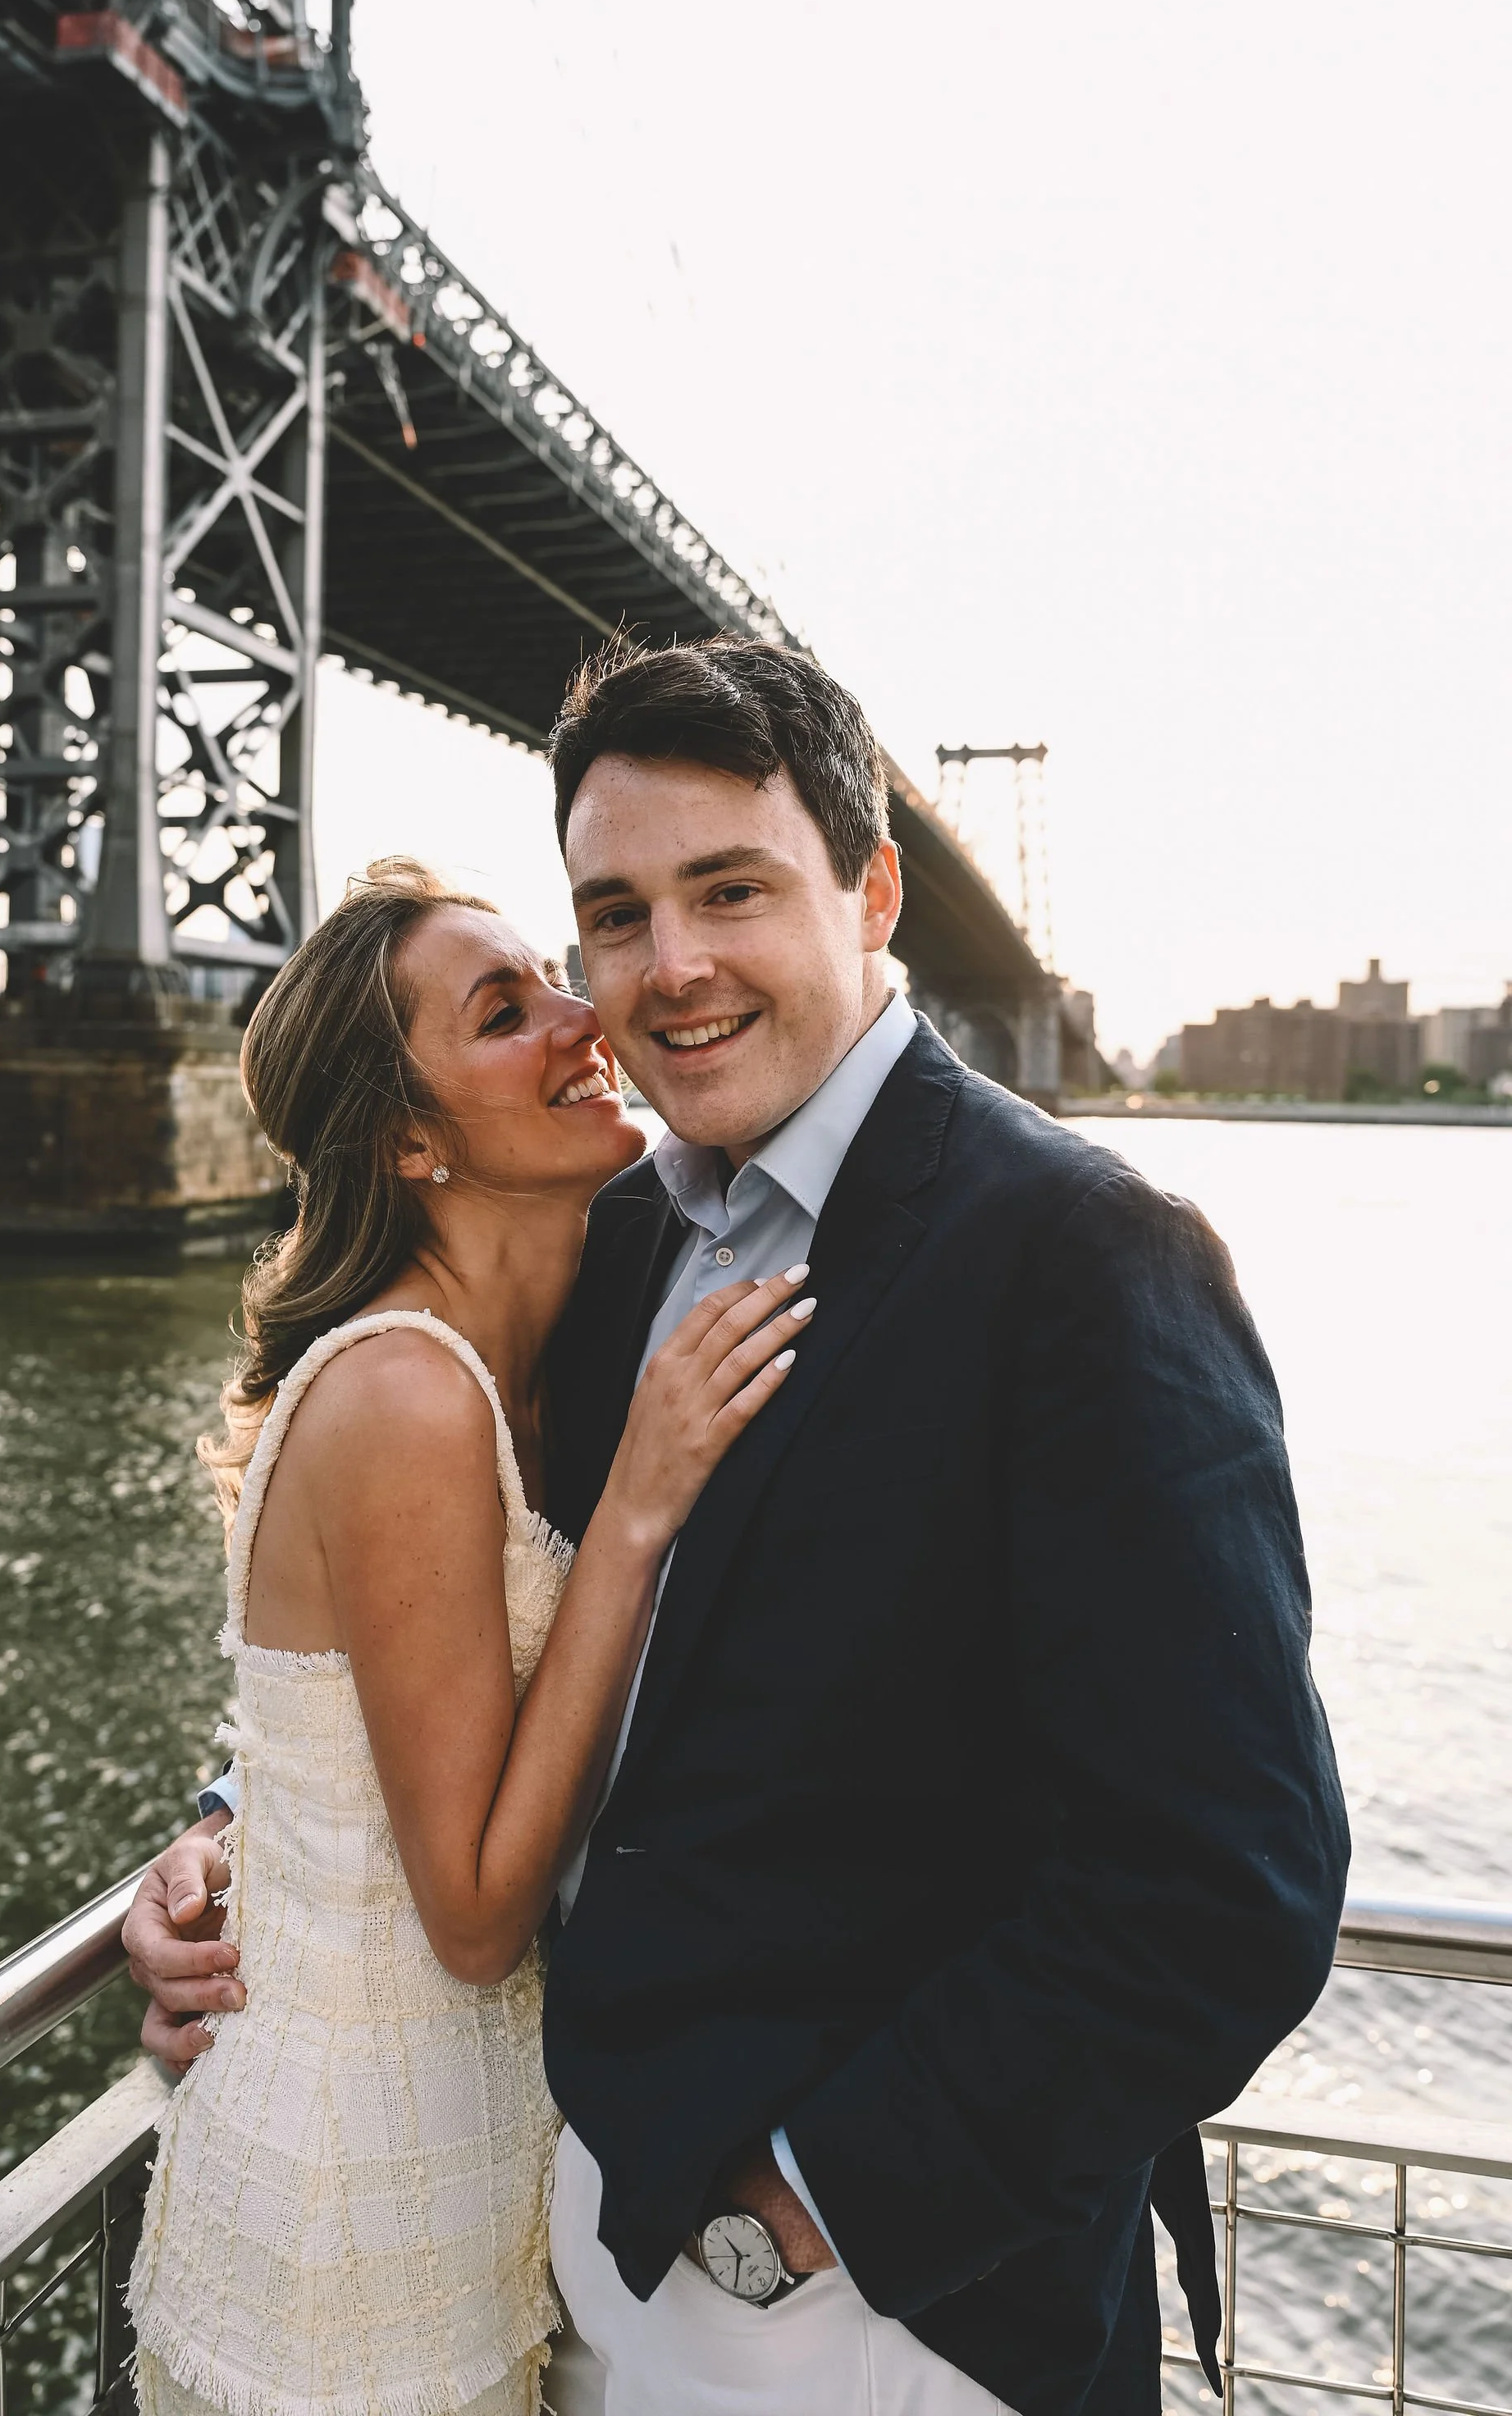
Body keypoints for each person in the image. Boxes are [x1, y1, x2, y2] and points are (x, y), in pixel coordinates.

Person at [129, 640, 1350, 2416]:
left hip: (882, 2310)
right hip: (567, 2239)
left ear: (870, 894)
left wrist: (806, 2202)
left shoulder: (1082, 1257)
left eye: (730, 892)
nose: (667, 969)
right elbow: (456, 1623)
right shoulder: (611, 1234)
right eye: (612, 916)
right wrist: (245, 1830)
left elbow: (1225, 1888)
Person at [124, 855, 811, 2416]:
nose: (590, 1015)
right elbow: (477, 1920)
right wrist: (638, 1504)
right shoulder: (406, 1393)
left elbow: (337, 1727)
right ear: (411, 1137)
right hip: (343, 2216)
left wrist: (223, 1822)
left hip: (489, 2175)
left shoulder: (563, 1337)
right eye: (509, 1011)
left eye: (555, 973)